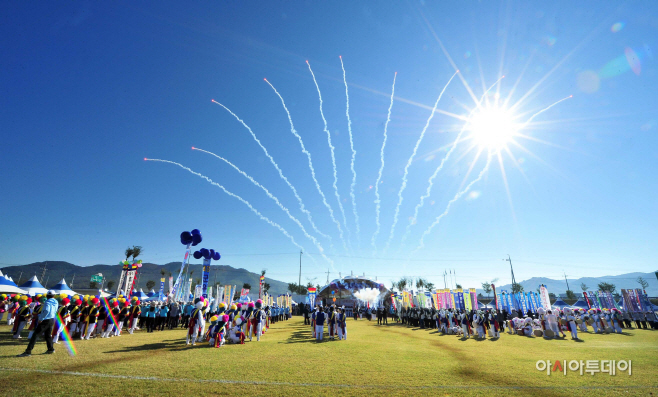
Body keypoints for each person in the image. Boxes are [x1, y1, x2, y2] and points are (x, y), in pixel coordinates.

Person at [18, 290, 57, 357]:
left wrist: (41, 318)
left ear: (47, 295)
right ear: (54, 295)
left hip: (45, 320)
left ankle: (28, 351)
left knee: (35, 335)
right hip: (52, 319)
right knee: (48, 335)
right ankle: (51, 349)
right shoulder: (56, 302)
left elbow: (46, 311)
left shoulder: (47, 302)